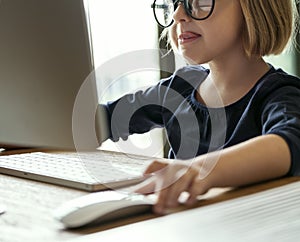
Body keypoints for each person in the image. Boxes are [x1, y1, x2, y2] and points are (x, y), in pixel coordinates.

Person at [102, 0, 300, 214]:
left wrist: (199, 169)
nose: (178, 15)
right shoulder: (179, 89)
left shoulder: (281, 94)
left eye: (200, 2)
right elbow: (104, 119)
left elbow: (289, 143)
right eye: (173, 4)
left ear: (253, 9)